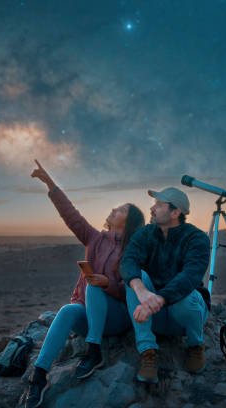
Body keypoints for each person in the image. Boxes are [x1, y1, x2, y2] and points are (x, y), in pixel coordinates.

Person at [23, 160, 145, 408]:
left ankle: (94, 350)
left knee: (94, 287)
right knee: (68, 310)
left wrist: (107, 283)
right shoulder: (94, 238)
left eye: (121, 208)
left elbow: (133, 289)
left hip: (116, 317)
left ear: (129, 220)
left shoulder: (134, 249)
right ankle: (39, 377)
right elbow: (70, 214)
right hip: (88, 314)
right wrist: (50, 183)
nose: (113, 208)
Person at [120, 186, 211, 384]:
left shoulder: (196, 238)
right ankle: (148, 352)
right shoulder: (145, 234)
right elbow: (128, 261)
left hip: (184, 317)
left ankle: (195, 345)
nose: (152, 209)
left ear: (176, 212)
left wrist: (159, 298)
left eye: (159, 205)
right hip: (154, 313)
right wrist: (141, 291)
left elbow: (190, 276)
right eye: (154, 205)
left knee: (185, 295)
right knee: (136, 277)